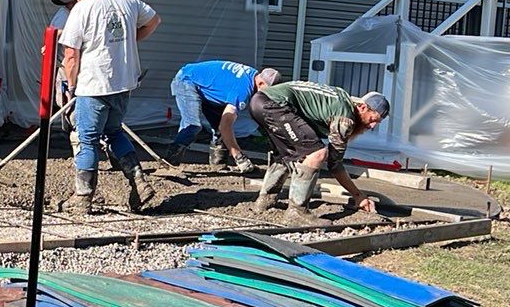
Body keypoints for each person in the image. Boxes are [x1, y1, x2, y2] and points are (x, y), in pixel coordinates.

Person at [59, 0, 161, 213]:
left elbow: (71, 55)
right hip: (123, 83)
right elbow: (155, 21)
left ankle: (82, 198)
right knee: (114, 132)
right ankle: (139, 181)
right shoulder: (128, 0)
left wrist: (71, 86)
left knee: (87, 140)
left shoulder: (83, 8)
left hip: (94, 84)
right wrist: (130, 39)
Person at [248, 81, 389, 226]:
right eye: (373, 120)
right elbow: (335, 165)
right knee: (317, 153)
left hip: (259, 101)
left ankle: (264, 201)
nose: (371, 126)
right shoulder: (345, 118)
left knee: (287, 154)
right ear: (362, 107)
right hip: (275, 106)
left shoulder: (339, 98)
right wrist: (358, 196)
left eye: (377, 123)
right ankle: (297, 211)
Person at [166, 60, 281, 170]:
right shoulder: (242, 91)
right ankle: (170, 160)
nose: (267, 96)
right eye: (267, 92)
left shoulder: (253, 75)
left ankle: (218, 165)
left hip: (206, 87)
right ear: (260, 83)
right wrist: (239, 157)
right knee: (193, 125)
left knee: (219, 130)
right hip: (187, 80)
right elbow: (225, 125)